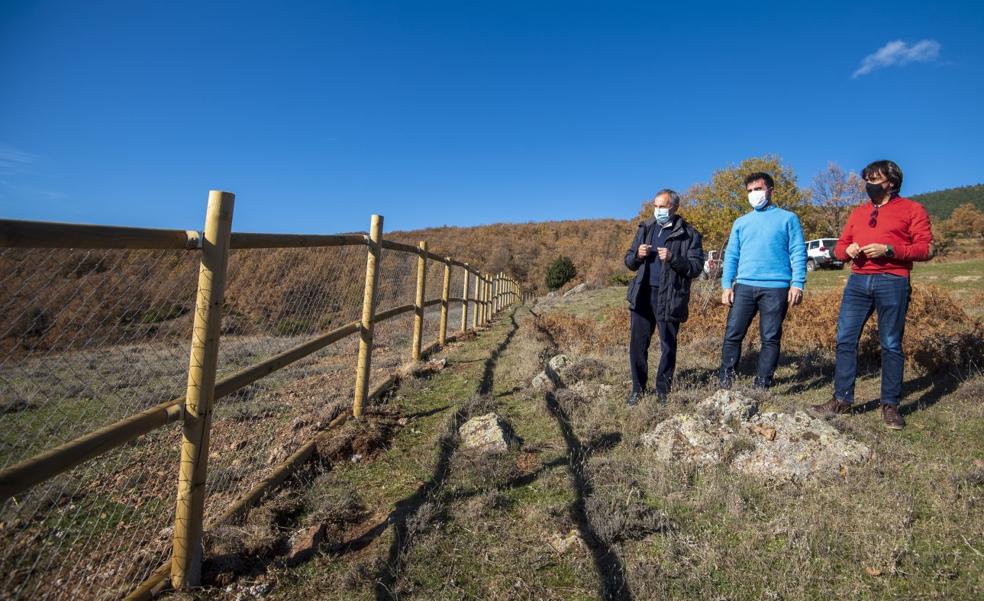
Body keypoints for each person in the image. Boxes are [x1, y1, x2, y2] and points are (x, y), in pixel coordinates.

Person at [811, 160, 933, 430]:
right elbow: (839, 249)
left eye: (875, 179)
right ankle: (841, 400)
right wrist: (848, 251)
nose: (869, 184)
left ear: (891, 181)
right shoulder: (858, 212)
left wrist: (890, 250)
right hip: (857, 282)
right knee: (845, 339)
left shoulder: (913, 209)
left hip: (893, 281)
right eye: (867, 178)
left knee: (890, 343)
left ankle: (890, 405)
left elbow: (926, 249)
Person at [718, 172, 806, 389]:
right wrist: (727, 285)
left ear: (770, 191)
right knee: (733, 334)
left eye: (758, 189)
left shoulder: (788, 218)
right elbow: (732, 255)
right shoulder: (741, 222)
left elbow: (798, 251)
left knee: (770, 337)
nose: (753, 194)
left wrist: (797, 283)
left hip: (776, 288)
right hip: (744, 286)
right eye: (749, 191)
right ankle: (725, 379)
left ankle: (763, 382)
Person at [624, 189, 705, 405]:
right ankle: (637, 390)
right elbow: (629, 262)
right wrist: (637, 256)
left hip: (670, 296)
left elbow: (696, 267)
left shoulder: (689, 234)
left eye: (663, 206)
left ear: (674, 208)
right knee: (637, 345)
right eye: (656, 205)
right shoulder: (645, 228)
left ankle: (662, 392)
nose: (658, 210)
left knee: (667, 345)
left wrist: (673, 258)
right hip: (642, 294)